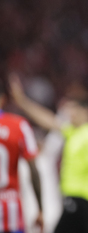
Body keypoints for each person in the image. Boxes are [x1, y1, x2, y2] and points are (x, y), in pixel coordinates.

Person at [9, 75, 88, 233]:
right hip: (74, 201)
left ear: (86, 112)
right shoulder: (73, 132)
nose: (69, 113)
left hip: (79, 199)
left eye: (74, 108)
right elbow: (48, 120)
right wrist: (22, 101)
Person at [0, 79, 43, 233]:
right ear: (4, 98)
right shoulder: (19, 126)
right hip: (10, 208)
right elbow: (34, 171)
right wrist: (40, 209)